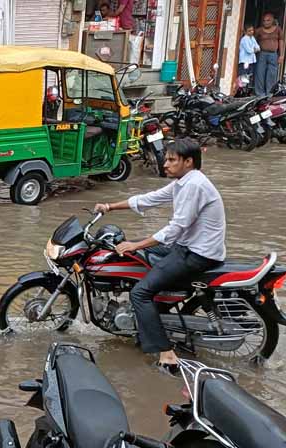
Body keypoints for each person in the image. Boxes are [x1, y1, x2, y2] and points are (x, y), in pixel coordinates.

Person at [92, 138, 225, 370]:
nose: (165, 164)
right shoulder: (184, 182)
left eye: (172, 160)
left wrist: (137, 245)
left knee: (140, 293)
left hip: (197, 253)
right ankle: (150, 322)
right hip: (187, 245)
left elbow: (176, 227)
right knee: (135, 252)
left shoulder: (194, 186)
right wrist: (110, 206)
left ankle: (167, 354)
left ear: (188, 161)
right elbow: (150, 198)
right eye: (166, 158)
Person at [254, 13, 283, 96]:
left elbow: (281, 41)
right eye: (264, 20)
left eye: (268, 20)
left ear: (272, 20)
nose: (265, 22)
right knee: (260, 74)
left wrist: (281, 55)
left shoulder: (278, 29)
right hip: (262, 54)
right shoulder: (259, 30)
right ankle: (260, 95)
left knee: (272, 75)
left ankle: (269, 95)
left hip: (273, 55)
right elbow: (252, 41)